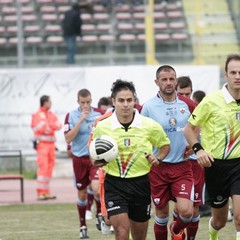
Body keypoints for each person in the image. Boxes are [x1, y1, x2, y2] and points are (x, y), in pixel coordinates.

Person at [90, 79, 171, 240]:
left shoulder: (149, 125)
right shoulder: (103, 126)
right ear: (113, 102)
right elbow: (94, 156)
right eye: (121, 100)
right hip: (114, 184)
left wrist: (158, 158)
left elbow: (165, 145)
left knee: (139, 236)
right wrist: (99, 161)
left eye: (129, 100)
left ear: (135, 101)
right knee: (121, 231)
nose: (125, 104)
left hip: (140, 184)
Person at [184, 53, 240, 240]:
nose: (237, 76)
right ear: (226, 74)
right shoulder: (211, 101)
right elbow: (189, 129)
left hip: (239, 164)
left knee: (239, 217)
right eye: (233, 72)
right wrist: (198, 149)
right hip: (216, 166)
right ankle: (213, 236)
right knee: (220, 221)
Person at [141, 65, 195, 240]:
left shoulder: (187, 104)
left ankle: (176, 228)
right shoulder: (148, 107)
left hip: (183, 166)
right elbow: (142, 136)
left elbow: (200, 123)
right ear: (157, 82)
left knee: (187, 211)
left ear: (176, 81)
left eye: (172, 79)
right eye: (164, 79)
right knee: (162, 214)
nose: (168, 82)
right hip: (159, 168)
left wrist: (194, 143)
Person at [64, 88, 104, 239]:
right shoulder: (71, 115)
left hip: (95, 157)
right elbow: (68, 139)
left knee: (96, 188)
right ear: (78, 102)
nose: (86, 105)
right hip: (79, 159)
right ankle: (83, 226)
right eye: (83, 102)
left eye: (88, 102)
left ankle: (100, 213)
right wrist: (81, 120)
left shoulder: (99, 114)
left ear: (91, 101)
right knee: (81, 194)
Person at [176, 76, 206, 238]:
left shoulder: (197, 109)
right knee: (180, 208)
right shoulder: (171, 110)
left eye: (188, 94)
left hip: (195, 164)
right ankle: (177, 234)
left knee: (194, 208)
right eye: (181, 94)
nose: (185, 98)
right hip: (176, 165)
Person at [31, 95, 62, 200]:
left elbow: (58, 125)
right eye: (50, 101)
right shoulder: (37, 114)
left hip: (51, 146)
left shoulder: (50, 114)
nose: (51, 103)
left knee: (49, 169)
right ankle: (40, 192)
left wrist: (49, 125)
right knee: (43, 169)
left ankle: (46, 191)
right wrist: (49, 126)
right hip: (42, 145)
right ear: (45, 102)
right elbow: (37, 127)